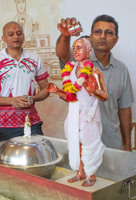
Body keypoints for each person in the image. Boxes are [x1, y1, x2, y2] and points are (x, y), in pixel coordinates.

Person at [56, 15, 134, 151]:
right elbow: (62, 54)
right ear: (91, 37)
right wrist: (65, 36)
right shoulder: (77, 62)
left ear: (116, 40)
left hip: (112, 144)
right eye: (98, 32)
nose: (103, 36)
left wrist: (127, 144)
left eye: (109, 33)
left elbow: (124, 109)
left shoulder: (121, 69)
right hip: (83, 144)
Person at [48, 38, 107, 186]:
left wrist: (92, 89)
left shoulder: (94, 72)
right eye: (74, 48)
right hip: (74, 114)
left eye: (79, 47)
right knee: (76, 144)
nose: (75, 50)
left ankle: (91, 175)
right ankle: (80, 173)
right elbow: (71, 97)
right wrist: (57, 91)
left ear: (89, 51)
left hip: (89, 116)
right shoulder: (71, 71)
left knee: (89, 145)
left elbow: (104, 96)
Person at [0, 21, 49, 141]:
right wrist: (12, 100)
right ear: (4, 38)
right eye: (11, 34)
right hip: (6, 125)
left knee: (37, 156)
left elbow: (47, 89)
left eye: (19, 33)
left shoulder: (34, 58)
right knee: (10, 159)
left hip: (32, 122)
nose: (16, 37)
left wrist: (32, 98)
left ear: (23, 36)